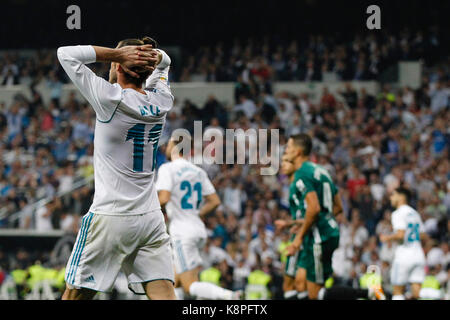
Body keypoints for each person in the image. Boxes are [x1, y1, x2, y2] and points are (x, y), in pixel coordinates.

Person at [57, 36, 176, 300]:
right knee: (164, 292)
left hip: (112, 215)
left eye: (115, 62)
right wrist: (152, 56)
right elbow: (165, 64)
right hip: (150, 217)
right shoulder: (162, 100)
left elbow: (65, 53)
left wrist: (116, 54)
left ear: (119, 66)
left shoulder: (110, 98)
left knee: (75, 294)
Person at [284, 134, 385, 300]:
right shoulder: (321, 170)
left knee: (315, 293)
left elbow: (314, 208)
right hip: (329, 231)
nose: (285, 150)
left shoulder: (301, 173)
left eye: (288, 147)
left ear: (298, 151)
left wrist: (298, 238)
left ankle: (368, 293)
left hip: (318, 236)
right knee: (306, 285)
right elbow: (337, 207)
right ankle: (368, 293)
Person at [155, 134, 242, 300]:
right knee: (174, 280)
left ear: (175, 146)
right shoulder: (198, 171)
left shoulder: (168, 168)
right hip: (198, 230)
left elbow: (164, 198)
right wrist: (197, 214)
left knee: (189, 285)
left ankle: (231, 296)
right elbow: (215, 201)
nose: (166, 146)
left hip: (182, 232)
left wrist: (148, 214)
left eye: (169, 143)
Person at [380, 187, 427, 300]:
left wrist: (387, 237)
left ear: (401, 197)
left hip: (404, 255)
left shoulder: (398, 213)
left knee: (397, 292)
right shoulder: (415, 213)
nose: (391, 198)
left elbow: (401, 234)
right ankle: (435, 294)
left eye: (393, 195)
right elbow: (423, 235)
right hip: (418, 254)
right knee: (416, 293)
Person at [274, 154, 307, 300]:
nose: (282, 167)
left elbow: (311, 216)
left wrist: (289, 224)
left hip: (303, 240)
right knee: (293, 284)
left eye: (285, 164)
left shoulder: (301, 187)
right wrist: (294, 226)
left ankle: (363, 294)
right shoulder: (293, 187)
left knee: (294, 283)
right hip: (300, 236)